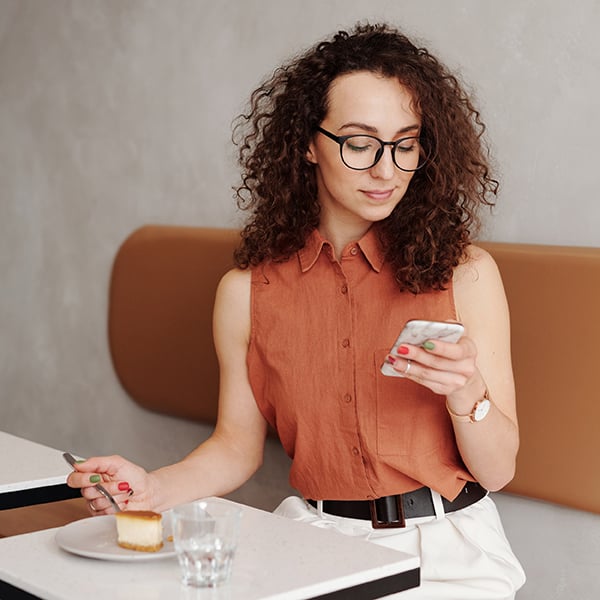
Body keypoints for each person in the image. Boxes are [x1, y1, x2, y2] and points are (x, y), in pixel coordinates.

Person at [67, 22, 525, 598]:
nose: (386, 170)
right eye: (359, 144)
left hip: (449, 555)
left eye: (405, 144)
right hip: (315, 544)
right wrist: (150, 490)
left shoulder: (466, 273)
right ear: (308, 143)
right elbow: (236, 447)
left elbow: (499, 471)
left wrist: (466, 393)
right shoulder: (245, 293)